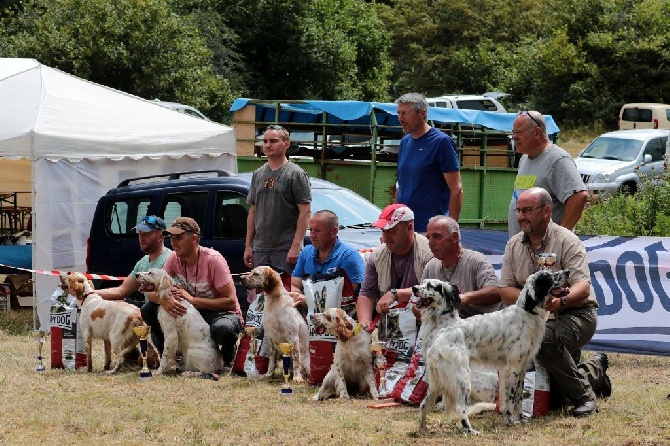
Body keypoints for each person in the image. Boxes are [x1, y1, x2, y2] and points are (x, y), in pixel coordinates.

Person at [499, 187, 611, 417]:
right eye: (519, 211)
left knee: (543, 339)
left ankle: (585, 398)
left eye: (527, 210)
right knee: (553, 399)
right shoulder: (513, 245)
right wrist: (533, 301)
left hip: (575, 314)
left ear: (546, 211)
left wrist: (561, 302)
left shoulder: (567, 240)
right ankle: (593, 369)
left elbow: (583, 286)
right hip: (534, 318)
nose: (521, 216)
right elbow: (505, 289)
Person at [141, 217, 243, 366]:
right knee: (149, 309)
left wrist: (192, 300)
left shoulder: (214, 260)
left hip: (221, 313)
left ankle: (227, 355)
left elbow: (230, 302)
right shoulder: (173, 259)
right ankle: (171, 359)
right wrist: (164, 300)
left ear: (194, 238)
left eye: (179, 238)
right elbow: (151, 293)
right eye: (172, 238)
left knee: (223, 330)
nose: (174, 243)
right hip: (193, 314)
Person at [508, 110, 588, 239]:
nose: (514, 137)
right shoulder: (524, 159)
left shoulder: (558, 159)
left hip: (545, 253)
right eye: (513, 132)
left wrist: (559, 238)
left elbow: (579, 196)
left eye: (519, 132)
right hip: (523, 249)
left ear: (537, 132)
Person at [244, 124, 311, 273]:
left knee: (287, 293)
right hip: (260, 248)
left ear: (286, 144)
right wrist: (248, 246)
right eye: (265, 141)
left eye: (273, 141)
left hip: (285, 249)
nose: (268, 145)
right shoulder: (258, 174)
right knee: (261, 295)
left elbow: (305, 212)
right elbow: (253, 212)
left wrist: (296, 245)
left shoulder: (295, 174)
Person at [356, 204, 433, 329]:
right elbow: (366, 294)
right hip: (388, 326)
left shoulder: (429, 255)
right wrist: (365, 323)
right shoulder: (376, 257)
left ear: (409, 228)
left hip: (422, 325)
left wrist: (396, 294)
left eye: (391, 231)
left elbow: (432, 291)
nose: (385, 238)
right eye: (383, 231)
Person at [395, 93, 463, 232]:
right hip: (405, 228)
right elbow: (400, 186)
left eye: (405, 113)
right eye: (399, 113)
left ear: (422, 113)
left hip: (431, 230)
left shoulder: (441, 142)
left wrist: (450, 229)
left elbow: (456, 189)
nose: (400, 118)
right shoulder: (405, 142)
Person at [421, 215, 501, 318]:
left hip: (481, 326)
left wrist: (464, 298)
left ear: (454, 237)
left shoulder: (476, 260)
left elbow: (496, 291)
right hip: (450, 326)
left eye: (437, 236)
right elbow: (419, 302)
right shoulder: (431, 266)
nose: (431, 243)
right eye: (428, 237)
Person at [290, 210, 365, 307]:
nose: (312, 235)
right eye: (311, 230)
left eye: (317, 230)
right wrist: (296, 294)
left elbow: (347, 297)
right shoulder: (306, 252)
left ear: (334, 232)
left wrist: (310, 300)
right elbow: (294, 283)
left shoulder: (349, 256)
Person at [96, 215, 172, 304]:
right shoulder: (143, 262)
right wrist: (89, 293)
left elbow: (168, 295)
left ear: (160, 237)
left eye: (146, 234)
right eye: (140, 233)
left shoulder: (170, 260)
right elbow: (121, 291)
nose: (141, 238)